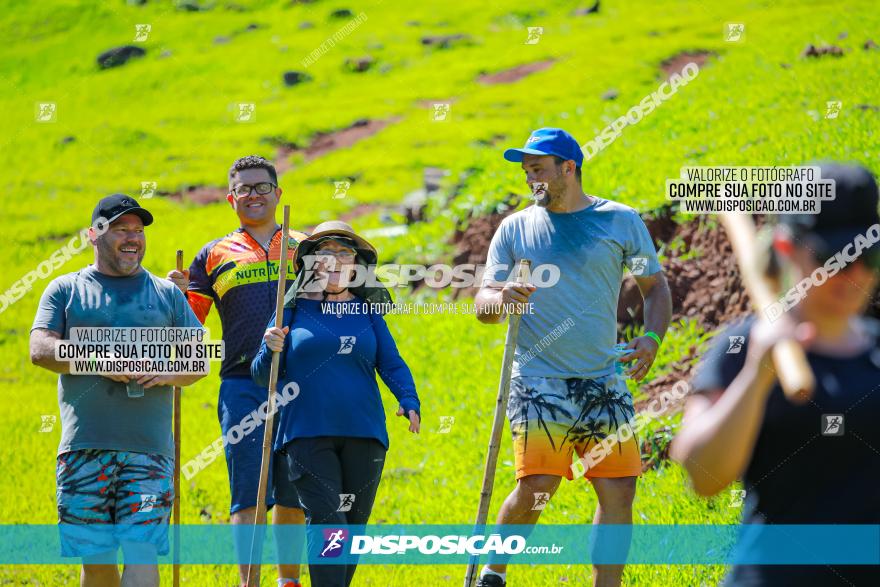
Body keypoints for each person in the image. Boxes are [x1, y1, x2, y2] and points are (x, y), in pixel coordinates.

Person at [474, 128, 672, 587]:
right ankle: (493, 573)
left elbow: (654, 287)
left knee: (619, 490)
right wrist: (502, 296)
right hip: (539, 381)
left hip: (604, 380)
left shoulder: (619, 221)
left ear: (569, 168)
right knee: (538, 486)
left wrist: (651, 339)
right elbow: (483, 307)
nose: (530, 180)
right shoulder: (516, 228)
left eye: (538, 169)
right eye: (526, 172)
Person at [671, 163, 880, 586]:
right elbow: (702, 473)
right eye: (833, 259)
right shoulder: (746, 346)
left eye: (868, 256)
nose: (853, 274)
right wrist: (757, 375)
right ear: (788, 248)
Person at [30, 194, 206, 587]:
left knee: (142, 551)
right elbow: (40, 350)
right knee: (96, 560)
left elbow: (199, 361)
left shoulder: (166, 294)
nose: (133, 238)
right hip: (83, 449)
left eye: (138, 230)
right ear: (93, 235)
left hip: (150, 451)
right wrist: (101, 361)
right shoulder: (65, 289)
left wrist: (163, 370)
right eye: (121, 229)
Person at [252, 220, 421, 587]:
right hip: (306, 434)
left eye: (344, 253)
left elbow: (391, 363)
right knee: (329, 522)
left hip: (366, 434)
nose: (335, 261)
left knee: (352, 529)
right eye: (325, 252)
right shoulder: (290, 311)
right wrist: (269, 349)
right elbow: (260, 373)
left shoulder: (368, 313)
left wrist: (408, 400)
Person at [166, 155, 308, 587]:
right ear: (231, 199)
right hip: (242, 384)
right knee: (247, 490)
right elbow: (190, 326)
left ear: (278, 193)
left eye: (261, 187)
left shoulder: (305, 247)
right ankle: (249, 583)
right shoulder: (212, 255)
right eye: (244, 189)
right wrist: (173, 298)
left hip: (302, 382)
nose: (253, 195)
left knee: (293, 490)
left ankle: (288, 581)